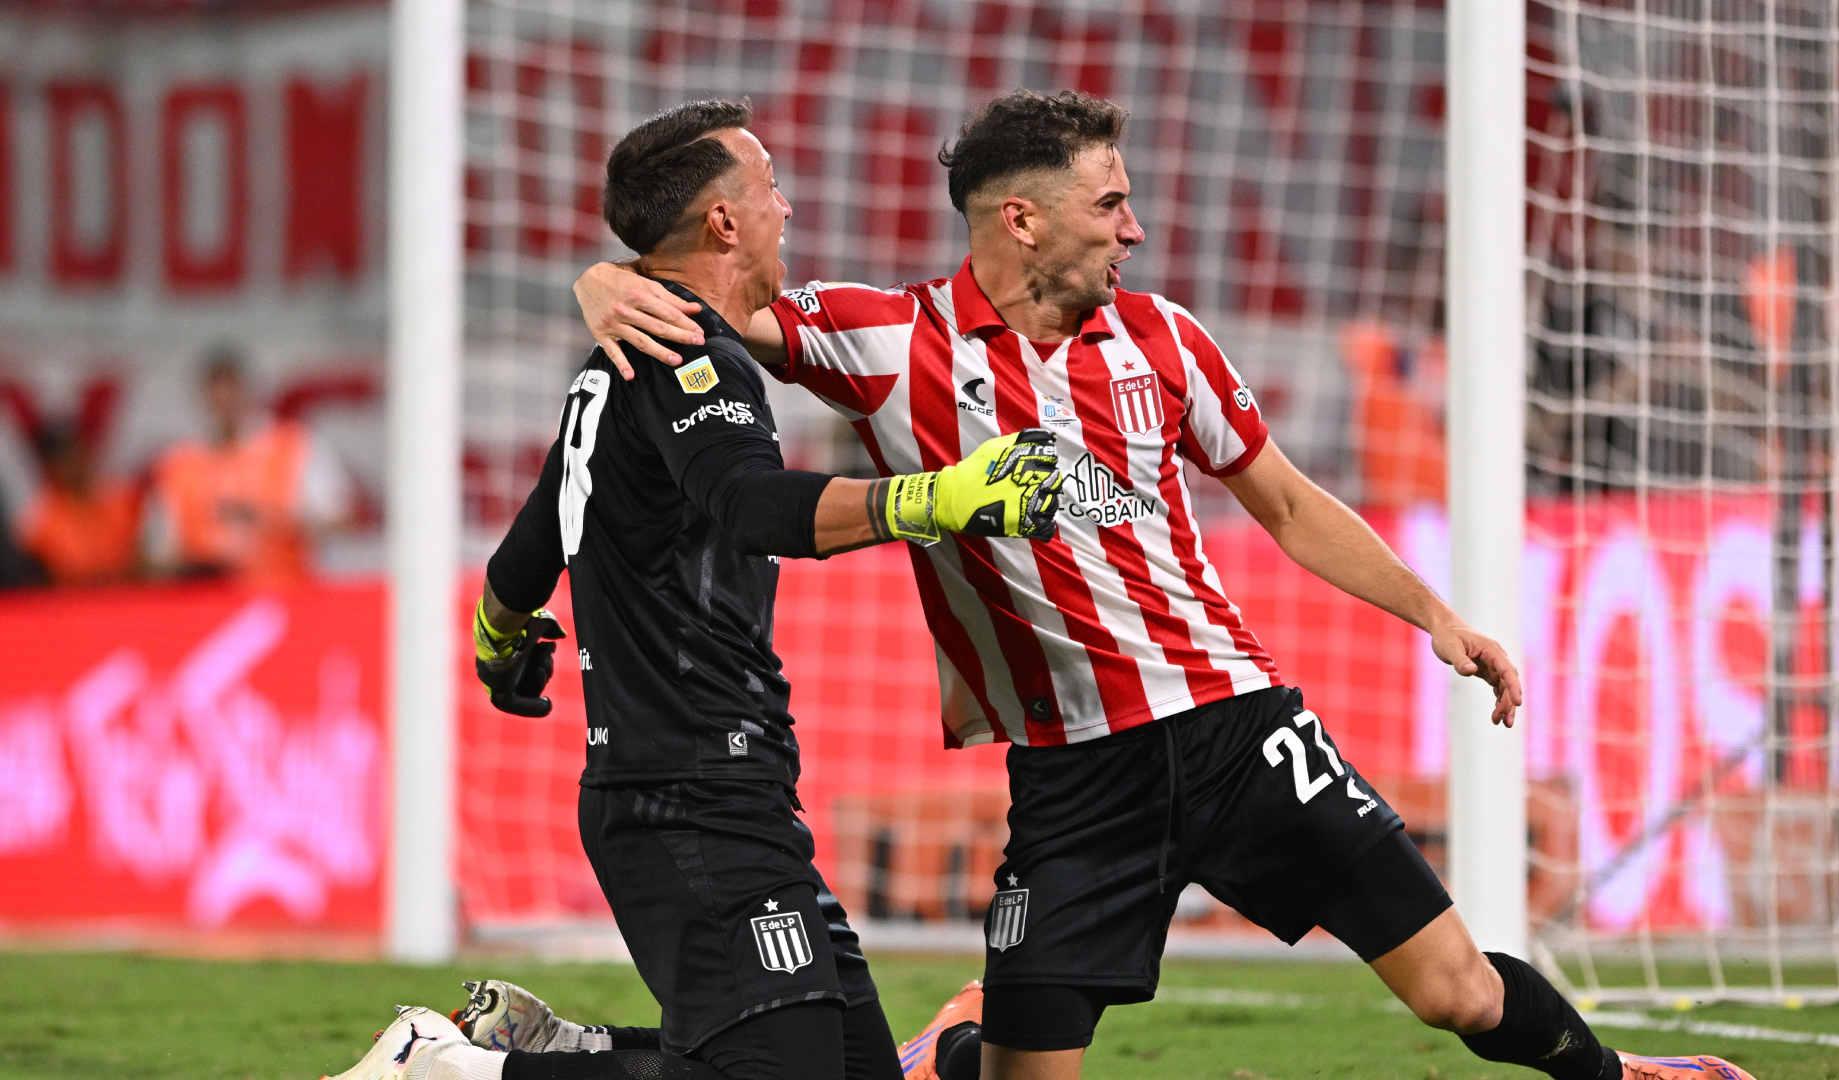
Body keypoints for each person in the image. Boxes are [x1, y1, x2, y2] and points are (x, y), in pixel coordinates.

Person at [569, 90, 1758, 1080]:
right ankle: (953, 1051)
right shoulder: (881, 342)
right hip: (1074, 779)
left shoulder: (1168, 342)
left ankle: (1619, 1077)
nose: (1133, 230)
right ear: (1023, 219)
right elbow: (701, 296)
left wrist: (1433, 614)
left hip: (1241, 731)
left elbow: (1286, 503)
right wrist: (600, 280)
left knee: (1460, 992)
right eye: (1109, 204)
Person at [322, 99, 1059, 1080]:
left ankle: (554, 1050)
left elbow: (532, 544)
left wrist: (499, 636)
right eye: (768, 189)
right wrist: (944, 497)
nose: (785, 208)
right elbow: (751, 505)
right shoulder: (685, 351)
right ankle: (448, 1071)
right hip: (687, 789)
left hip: (712, 784)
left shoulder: (618, 356)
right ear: (722, 221)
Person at [146, 350, 350, 584]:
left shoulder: (293, 446)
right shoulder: (178, 464)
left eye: (231, 391)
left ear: (249, 391)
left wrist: (270, 519)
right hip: (203, 597)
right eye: (216, 394)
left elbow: (340, 520)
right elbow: (157, 553)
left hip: (284, 592)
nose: (224, 402)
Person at [17, 420, 141, 584]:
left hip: (127, 595)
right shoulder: (40, 522)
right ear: (51, 468)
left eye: (77, 454)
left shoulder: (122, 500)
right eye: (65, 459)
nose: (75, 464)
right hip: (71, 598)